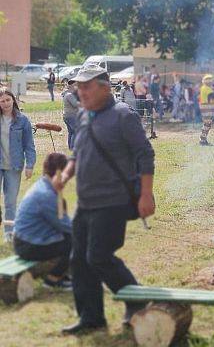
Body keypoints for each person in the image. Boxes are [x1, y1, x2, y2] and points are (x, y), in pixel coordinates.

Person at [54, 66, 155, 334]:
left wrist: (146, 194)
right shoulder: (84, 114)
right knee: (78, 260)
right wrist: (64, 176)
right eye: (78, 86)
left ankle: (137, 300)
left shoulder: (124, 116)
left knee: (98, 256)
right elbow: (77, 152)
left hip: (112, 202)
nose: (80, 91)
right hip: (85, 202)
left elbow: (145, 154)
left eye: (86, 86)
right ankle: (91, 318)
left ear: (105, 87)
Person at [13, 153, 72, 290]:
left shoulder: (43, 185)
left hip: (25, 240)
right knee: (74, 240)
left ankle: (64, 274)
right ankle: (53, 280)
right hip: (27, 245)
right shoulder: (45, 195)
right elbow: (66, 226)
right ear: (59, 173)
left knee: (71, 238)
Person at [0, 88, 36, 242]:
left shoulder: (23, 120)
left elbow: (29, 145)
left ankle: (9, 234)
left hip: (14, 167)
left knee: (10, 202)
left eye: (8, 100)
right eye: (2, 101)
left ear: (13, 100)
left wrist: (30, 165)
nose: (6, 103)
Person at [199, 74, 214, 145]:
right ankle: (202, 139)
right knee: (207, 123)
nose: (212, 81)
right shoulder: (205, 88)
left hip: (208, 106)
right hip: (206, 106)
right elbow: (213, 96)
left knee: (208, 123)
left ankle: (203, 139)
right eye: (210, 80)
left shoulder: (206, 87)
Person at [62, 81, 80, 149]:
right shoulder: (69, 95)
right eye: (76, 85)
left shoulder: (67, 94)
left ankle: (70, 147)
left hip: (67, 115)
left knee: (71, 132)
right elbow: (75, 104)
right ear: (72, 85)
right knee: (76, 131)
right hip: (71, 116)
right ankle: (73, 147)